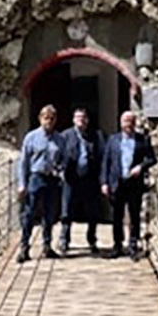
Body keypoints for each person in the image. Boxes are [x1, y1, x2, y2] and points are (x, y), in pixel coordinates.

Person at [101, 110, 157, 260]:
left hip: (134, 183)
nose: (128, 124)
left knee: (134, 215)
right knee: (116, 216)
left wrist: (141, 167)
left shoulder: (142, 139)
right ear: (121, 123)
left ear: (135, 123)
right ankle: (117, 245)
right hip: (116, 182)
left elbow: (152, 159)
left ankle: (133, 245)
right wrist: (104, 182)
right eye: (126, 121)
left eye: (131, 121)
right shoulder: (113, 140)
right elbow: (106, 162)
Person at [15, 104, 66, 262]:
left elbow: (63, 159)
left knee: (49, 214)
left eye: (52, 119)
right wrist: (22, 183)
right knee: (29, 214)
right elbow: (23, 162)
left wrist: (60, 171)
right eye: (46, 118)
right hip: (35, 178)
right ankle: (24, 247)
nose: (48, 122)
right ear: (40, 119)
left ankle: (47, 246)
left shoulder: (60, 139)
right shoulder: (31, 137)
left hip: (52, 179)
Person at [59, 107, 105, 255]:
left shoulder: (96, 136)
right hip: (71, 179)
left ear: (87, 120)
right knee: (67, 211)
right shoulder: (65, 136)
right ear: (73, 120)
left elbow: (102, 156)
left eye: (83, 117)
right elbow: (57, 155)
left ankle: (92, 240)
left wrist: (102, 178)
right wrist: (59, 170)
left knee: (92, 212)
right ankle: (64, 240)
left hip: (89, 179)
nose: (81, 120)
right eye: (78, 117)